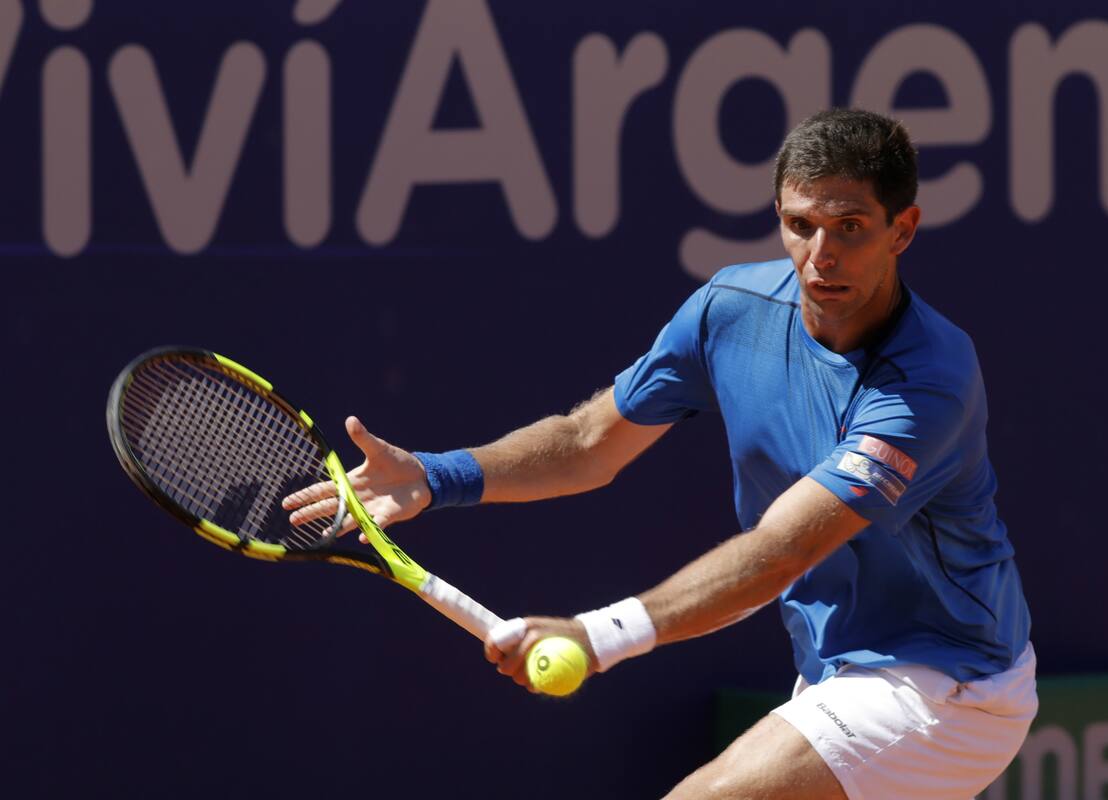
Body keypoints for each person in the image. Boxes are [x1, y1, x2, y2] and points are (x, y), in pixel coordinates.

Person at [283, 108, 1036, 800]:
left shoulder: (928, 380)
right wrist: (436, 476)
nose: (820, 256)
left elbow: (781, 552)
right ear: (778, 214)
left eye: (850, 228)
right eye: (801, 225)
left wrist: (596, 636)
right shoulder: (730, 311)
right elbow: (587, 443)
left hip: (950, 683)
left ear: (902, 229)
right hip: (834, 671)